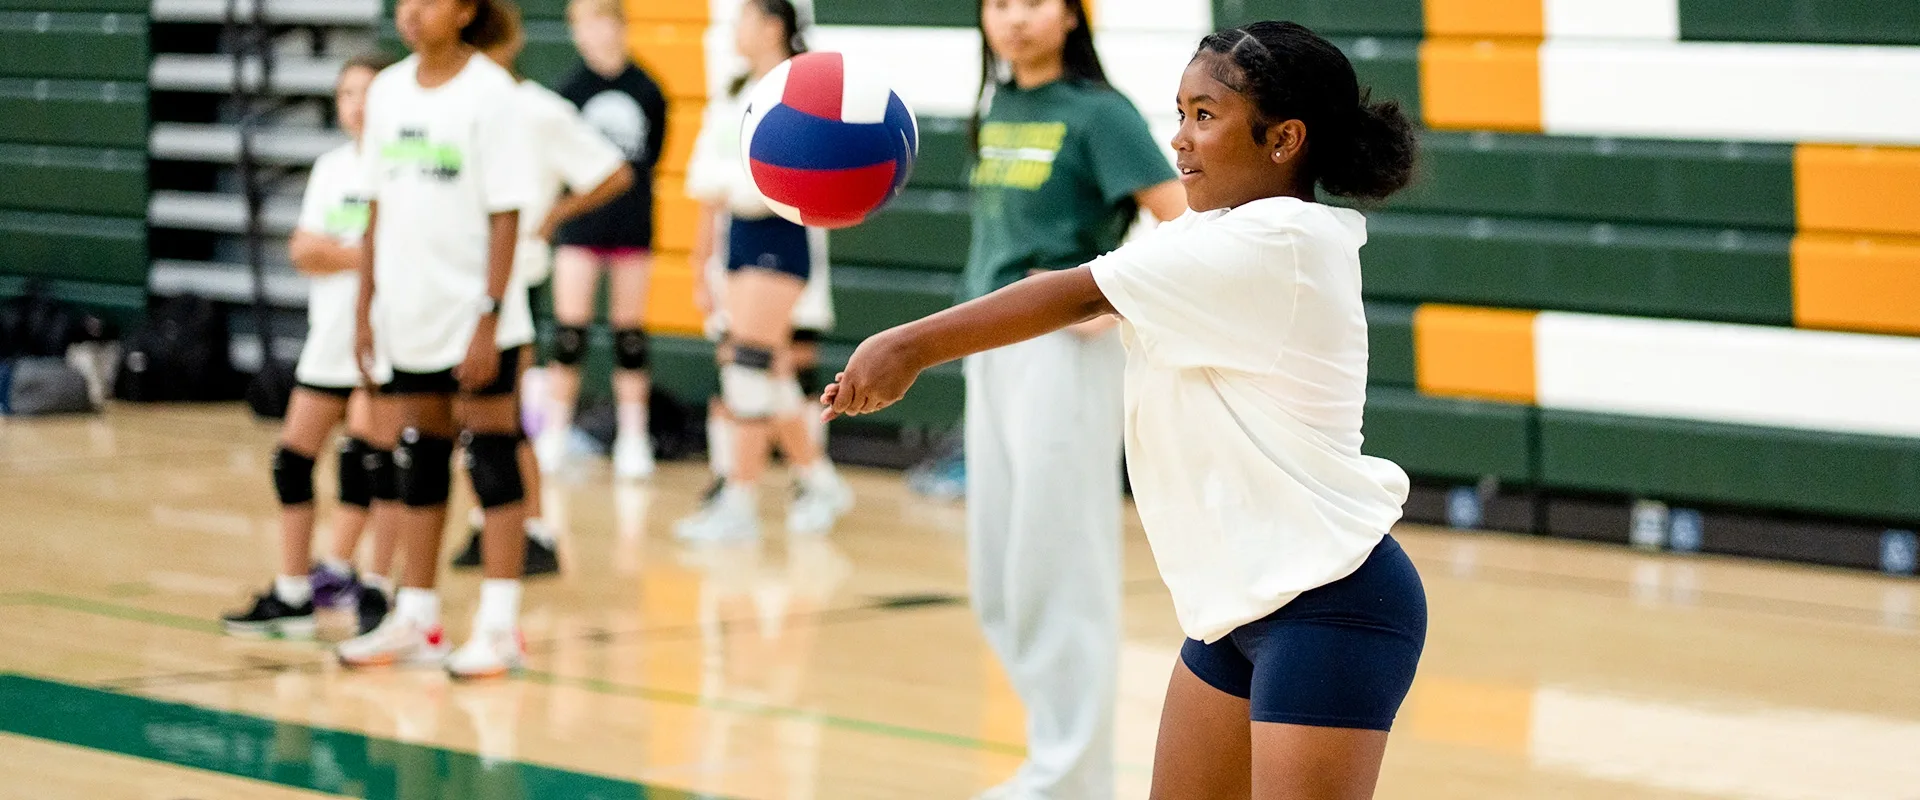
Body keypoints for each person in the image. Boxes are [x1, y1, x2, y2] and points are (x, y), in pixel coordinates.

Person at [823, 21, 1426, 798]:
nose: (1179, 140)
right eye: (1178, 113)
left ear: (1284, 140)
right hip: (1233, 609)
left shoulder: (1282, 240)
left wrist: (906, 346)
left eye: (1204, 117)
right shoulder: (1218, 234)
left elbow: (1076, 291)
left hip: (1330, 603)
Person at [946, 0, 1189, 796]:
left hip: (1061, 355)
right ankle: (1057, 759)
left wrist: (1116, 297)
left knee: (1060, 562)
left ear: (1072, 15)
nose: (1014, 18)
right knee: (1000, 577)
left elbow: (1185, 223)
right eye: (999, 3)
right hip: (989, 349)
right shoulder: (998, 105)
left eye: (1034, 1)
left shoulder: (1099, 113)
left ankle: (1071, 775)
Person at [334, 0, 539, 680]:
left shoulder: (492, 93)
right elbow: (374, 209)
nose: (412, 13)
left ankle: (501, 626)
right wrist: (363, 311)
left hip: (477, 317)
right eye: (406, 2)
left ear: (466, 10)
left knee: (492, 457)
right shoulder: (388, 91)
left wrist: (488, 312)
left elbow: (507, 215)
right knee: (417, 458)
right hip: (408, 314)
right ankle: (417, 615)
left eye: (429, 1)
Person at [448, 9, 638, 576]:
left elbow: (614, 173)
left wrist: (556, 212)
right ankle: (492, 521)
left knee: (499, 416)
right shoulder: (439, 105)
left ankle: (529, 527)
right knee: (468, 420)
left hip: (512, 282)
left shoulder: (535, 109)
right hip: (450, 281)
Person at [222, 53, 403, 639]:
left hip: (387, 339)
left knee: (373, 465)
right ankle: (295, 592)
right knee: (292, 460)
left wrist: (342, 253)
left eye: (367, 92)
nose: (355, 104)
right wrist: (364, 253)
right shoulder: (330, 169)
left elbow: (402, 257)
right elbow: (303, 252)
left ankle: (376, 587)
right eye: (346, 93)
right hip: (328, 340)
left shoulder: (402, 169)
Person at [674, 0, 852, 542]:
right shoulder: (731, 94)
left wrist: (734, 187)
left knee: (746, 366)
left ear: (773, 25)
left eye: (744, 18)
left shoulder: (798, 91)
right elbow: (704, 177)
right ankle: (819, 480)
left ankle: (740, 501)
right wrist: (700, 258)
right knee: (764, 372)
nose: (735, 30)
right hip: (736, 241)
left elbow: (775, 185)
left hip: (778, 236)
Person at [535, 0, 670, 480]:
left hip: (631, 226)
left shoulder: (646, 89)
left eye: (595, 22)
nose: (587, 34)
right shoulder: (571, 91)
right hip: (580, 228)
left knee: (629, 335)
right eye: (578, 26)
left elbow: (648, 158)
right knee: (569, 333)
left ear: (617, 25)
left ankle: (634, 437)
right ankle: (554, 431)